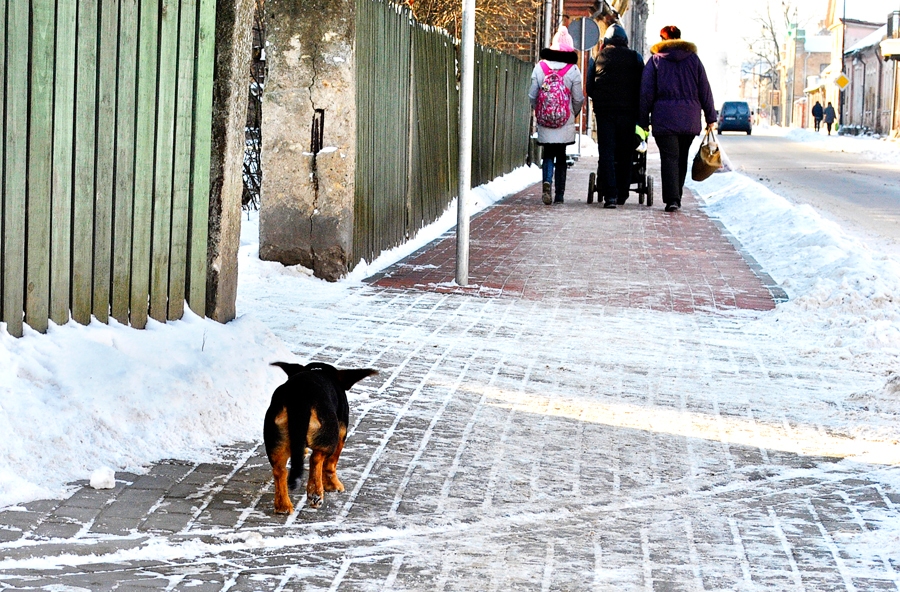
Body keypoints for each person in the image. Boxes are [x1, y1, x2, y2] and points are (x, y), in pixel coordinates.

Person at [639, 25, 716, 213]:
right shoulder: (694, 60)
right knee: (681, 158)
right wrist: (710, 117)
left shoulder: (656, 60)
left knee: (669, 158)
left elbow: (646, 93)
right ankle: (677, 196)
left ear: (663, 39)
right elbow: (705, 89)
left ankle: (672, 199)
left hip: (664, 119)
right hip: (689, 119)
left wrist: (642, 119)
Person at [587, 24, 644, 208]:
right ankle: (622, 193)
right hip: (628, 113)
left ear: (606, 42)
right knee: (626, 152)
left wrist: (600, 99)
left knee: (607, 152)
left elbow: (589, 88)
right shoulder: (636, 58)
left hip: (605, 114)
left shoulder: (598, 58)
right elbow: (643, 87)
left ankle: (610, 195)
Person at [529, 26, 584, 205]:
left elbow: (532, 95)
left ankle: (546, 182)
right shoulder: (573, 70)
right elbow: (578, 98)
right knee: (561, 155)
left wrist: (540, 110)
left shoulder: (540, 67)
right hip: (564, 120)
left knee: (548, 154)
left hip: (545, 119)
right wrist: (572, 114)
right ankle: (559, 194)